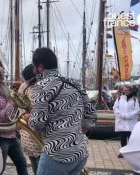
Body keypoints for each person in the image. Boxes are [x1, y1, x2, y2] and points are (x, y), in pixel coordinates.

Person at [27, 47, 97, 175]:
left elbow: (38, 124)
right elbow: (91, 115)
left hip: (57, 155)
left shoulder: (42, 86)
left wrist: (28, 118)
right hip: (79, 152)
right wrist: (73, 132)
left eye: (34, 66)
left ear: (40, 67)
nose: (33, 70)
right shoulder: (75, 83)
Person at [0, 65, 28, 175]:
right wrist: (11, 104)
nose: (2, 79)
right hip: (0, 137)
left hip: (12, 135)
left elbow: (14, 110)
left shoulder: (2, 92)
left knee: (22, 163)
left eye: (2, 77)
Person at [18, 64, 41, 175]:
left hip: (27, 132)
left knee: (35, 163)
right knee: (39, 163)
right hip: (34, 134)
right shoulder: (40, 87)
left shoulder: (23, 86)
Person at [113, 84, 140, 158]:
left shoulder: (134, 99)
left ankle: (131, 152)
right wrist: (122, 115)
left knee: (131, 138)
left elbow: (137, 110)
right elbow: (115, 108)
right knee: (123, 138)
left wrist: (128, 115)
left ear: (130, 91)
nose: (125, 92)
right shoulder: (119, 98)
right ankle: (123, 152)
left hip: (131, 121)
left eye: (126, 90)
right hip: (121, 121)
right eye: (124, 90)